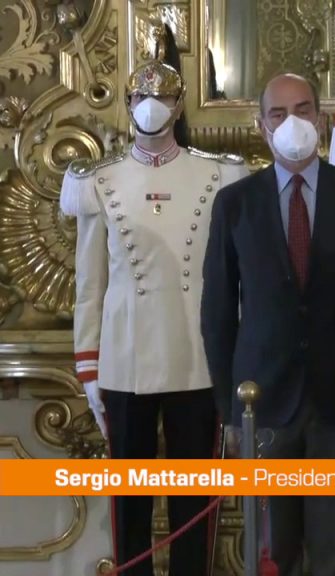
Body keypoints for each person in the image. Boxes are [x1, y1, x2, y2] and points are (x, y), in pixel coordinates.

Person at [58, 50, 249, 576]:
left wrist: (235, 361)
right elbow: (90, 284)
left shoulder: (220, 174)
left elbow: (236, 281)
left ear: (179, 104)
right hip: (125, 363)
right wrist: (89, 366)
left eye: (162, 95)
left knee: (194, 502)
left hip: (198, 360)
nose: (152, 105)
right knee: (129, 504)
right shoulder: (99, 179)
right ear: (128, 103)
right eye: (142, 96)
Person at [199, 73, 335, 576]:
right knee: (274, 551)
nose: (292, 122)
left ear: (321, 121)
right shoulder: (235, 203)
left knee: (333, 550)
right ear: (261, 126)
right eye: (279, 113)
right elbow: (218, 312)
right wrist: (228, 409)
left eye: (303, 110)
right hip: (261, 401)